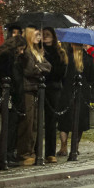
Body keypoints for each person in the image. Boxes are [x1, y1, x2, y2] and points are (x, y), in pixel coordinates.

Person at [16, 29, 51, 166]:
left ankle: (32, 151)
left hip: (36, 89)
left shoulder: (37, 51)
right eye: (37, 34)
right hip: (27, 89)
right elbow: (30, 69)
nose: (40, 37)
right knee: (28, 123)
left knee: (35, 123)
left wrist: (39, 66)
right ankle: (25, 152)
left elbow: (48, 66)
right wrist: (39, 67)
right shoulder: (26, 51)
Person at [57, 42, 94, 155]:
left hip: (67, 91)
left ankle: (63, 147)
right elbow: (91, 78)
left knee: (64, 121)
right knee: (80, 121)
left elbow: (61, 75)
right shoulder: (88, 58)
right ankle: (75, 146)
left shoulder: (65, 57)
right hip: (82, 92)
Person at [0, 35, 25, 164]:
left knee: (11, 126)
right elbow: (10, 76)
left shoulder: (7, 56)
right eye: (21, 49)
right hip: (10, 94)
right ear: (16, 46)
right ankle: (6, 155)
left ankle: (8, 154)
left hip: (11, 94)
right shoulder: (8, 57)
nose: (22, 52)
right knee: (9, 126)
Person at [41, 27, 68, 163]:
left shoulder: (60, 52)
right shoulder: (38, 51)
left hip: (53, 89)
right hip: (40, 88)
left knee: (51, 122)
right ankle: (36, 151)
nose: (45, 37)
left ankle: (50, 152)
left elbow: (61, 72)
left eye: (48, 35)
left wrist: (48, 72)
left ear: (53, 37)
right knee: (37, 122)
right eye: (43, 35)